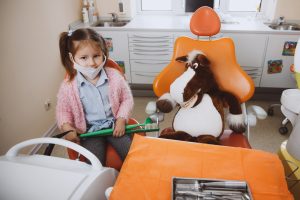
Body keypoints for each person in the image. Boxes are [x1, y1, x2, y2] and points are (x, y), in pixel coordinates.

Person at [56, 28, 134, 165]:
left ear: (103, 54)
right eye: (84, 58)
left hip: (114, 126)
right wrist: (67, 128)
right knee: (94, 162)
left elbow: (127, 99)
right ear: (72, 58)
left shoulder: (115, 77)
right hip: (89, 132)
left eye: (96, 56)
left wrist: (121, 119)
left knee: (131, 155)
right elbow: (63, 111)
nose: (92, 63)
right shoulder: (68, 86)